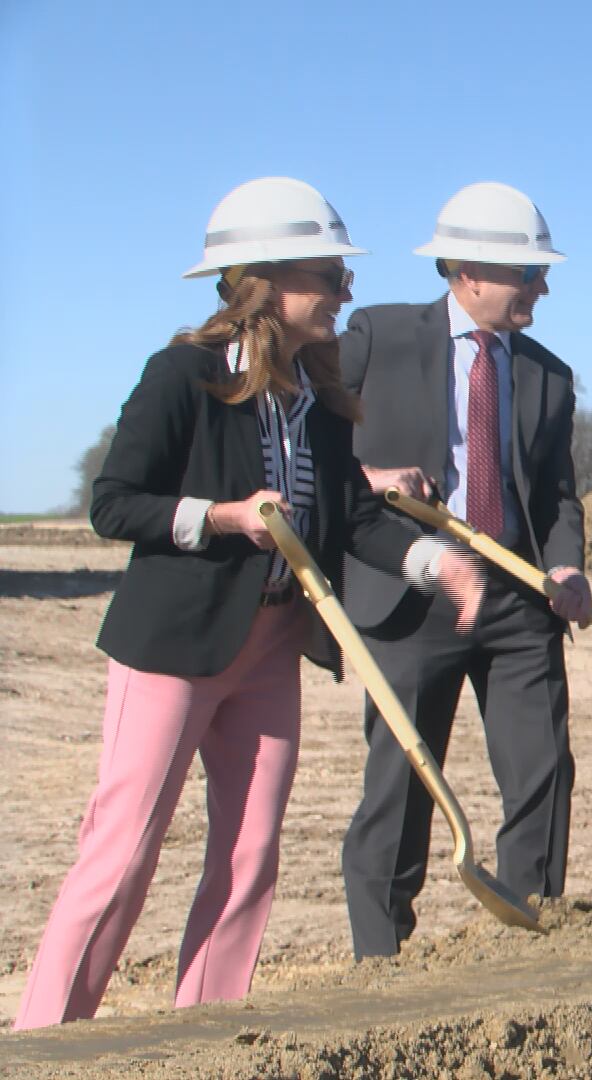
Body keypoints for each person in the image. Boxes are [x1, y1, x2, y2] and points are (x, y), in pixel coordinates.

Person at [15, 179, 483, 1029]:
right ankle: (48, 1038)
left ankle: (203, 1034)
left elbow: (350, 517)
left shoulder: (321, 401)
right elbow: (113, 502)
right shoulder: (183, 376)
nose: (346, 293)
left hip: (270, 648)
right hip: (174, 647)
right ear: (267, 280)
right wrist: (222, 518)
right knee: (122, 854)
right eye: (330, 276)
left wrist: (433, 561)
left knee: (249, 854)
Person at [337, 182, 591, 960]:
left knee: (542, 771)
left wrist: (568, 566)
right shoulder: (376, 336)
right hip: (411, 591)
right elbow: (313, 441)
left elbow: (556, 494)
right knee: (403, 785)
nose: (543, 287)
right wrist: (373, 476)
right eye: (529, 273)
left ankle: (526, 938)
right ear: (469, 272)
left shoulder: (548, 374)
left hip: (517, 597)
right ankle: (380, 962)